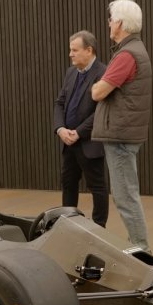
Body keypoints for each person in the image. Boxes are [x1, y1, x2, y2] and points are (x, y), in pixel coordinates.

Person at [91, 0, 153, 251]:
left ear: (119, 24)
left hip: (120, 137)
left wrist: (97, 85)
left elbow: (97, 92)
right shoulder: (134, 50)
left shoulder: (126, 55)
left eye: (111, 20)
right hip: (124, 134)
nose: (108, 24)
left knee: (125, 196)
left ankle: (141, 249)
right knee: (127, 194)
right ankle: (139, 246)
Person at [53, 31, 108, 228]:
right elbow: (60, 103)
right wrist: (60, 129)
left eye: (74, 50)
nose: (70, 54)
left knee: (98, 188)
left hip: (89, 142)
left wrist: (78, 132)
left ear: (89, 50)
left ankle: (99, 228)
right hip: (68, 142)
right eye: (70, 50)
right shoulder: (71, 73)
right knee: (68, 184)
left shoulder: (103, 73)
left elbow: (102, 110)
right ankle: (68, 225)